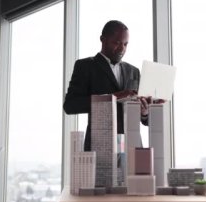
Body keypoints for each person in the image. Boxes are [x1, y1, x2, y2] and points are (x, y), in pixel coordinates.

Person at [63, 20, 151, 151]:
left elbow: (145, 120)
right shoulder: (85, 66)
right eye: (117, 43)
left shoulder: (134, 71)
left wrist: (145, 111)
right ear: (102, 39)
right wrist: (112, 97)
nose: (122, 48)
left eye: (125, 44)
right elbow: (70, 105)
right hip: (100, 147)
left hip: (132, 147)